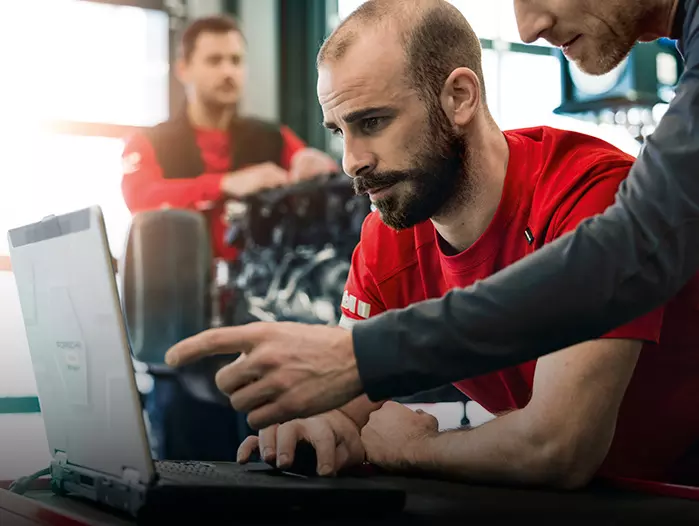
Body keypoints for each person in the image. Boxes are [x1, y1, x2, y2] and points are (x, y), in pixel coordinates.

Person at [168, 1, 699, 489]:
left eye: (373, 122)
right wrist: (314, 429)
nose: (353, 161)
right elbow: (347, 397)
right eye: (340, 131)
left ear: (459, 97)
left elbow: (559, 447)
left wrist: (417, 449)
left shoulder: (588, 191)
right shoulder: (391, 232)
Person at [120, 14, 338, 460]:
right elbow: (142, 198)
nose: (228, 71)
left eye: (236, 60)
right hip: (177, 336)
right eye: (215, 59)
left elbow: (327, 183)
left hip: (257, 333)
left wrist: (316, 169)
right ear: (184, 69)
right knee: (184, 470)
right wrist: (224, 184)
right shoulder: (149, 143)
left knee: (258, 461)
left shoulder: (272, 138)